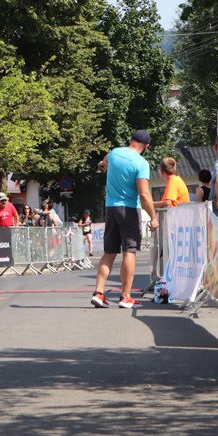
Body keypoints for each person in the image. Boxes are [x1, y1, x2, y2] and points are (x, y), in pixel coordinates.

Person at [91, 129, 159, 309]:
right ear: (147, 146)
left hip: (111, 208)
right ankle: (125, 296)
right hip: (129, 209)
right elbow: (144, 194)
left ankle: (98, 293)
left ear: (131, 140)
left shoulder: (115, 153)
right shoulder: (141, 163)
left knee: (109, 252)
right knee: (129, 251)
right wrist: (153, 217)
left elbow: (104, 161)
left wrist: (102, 164)